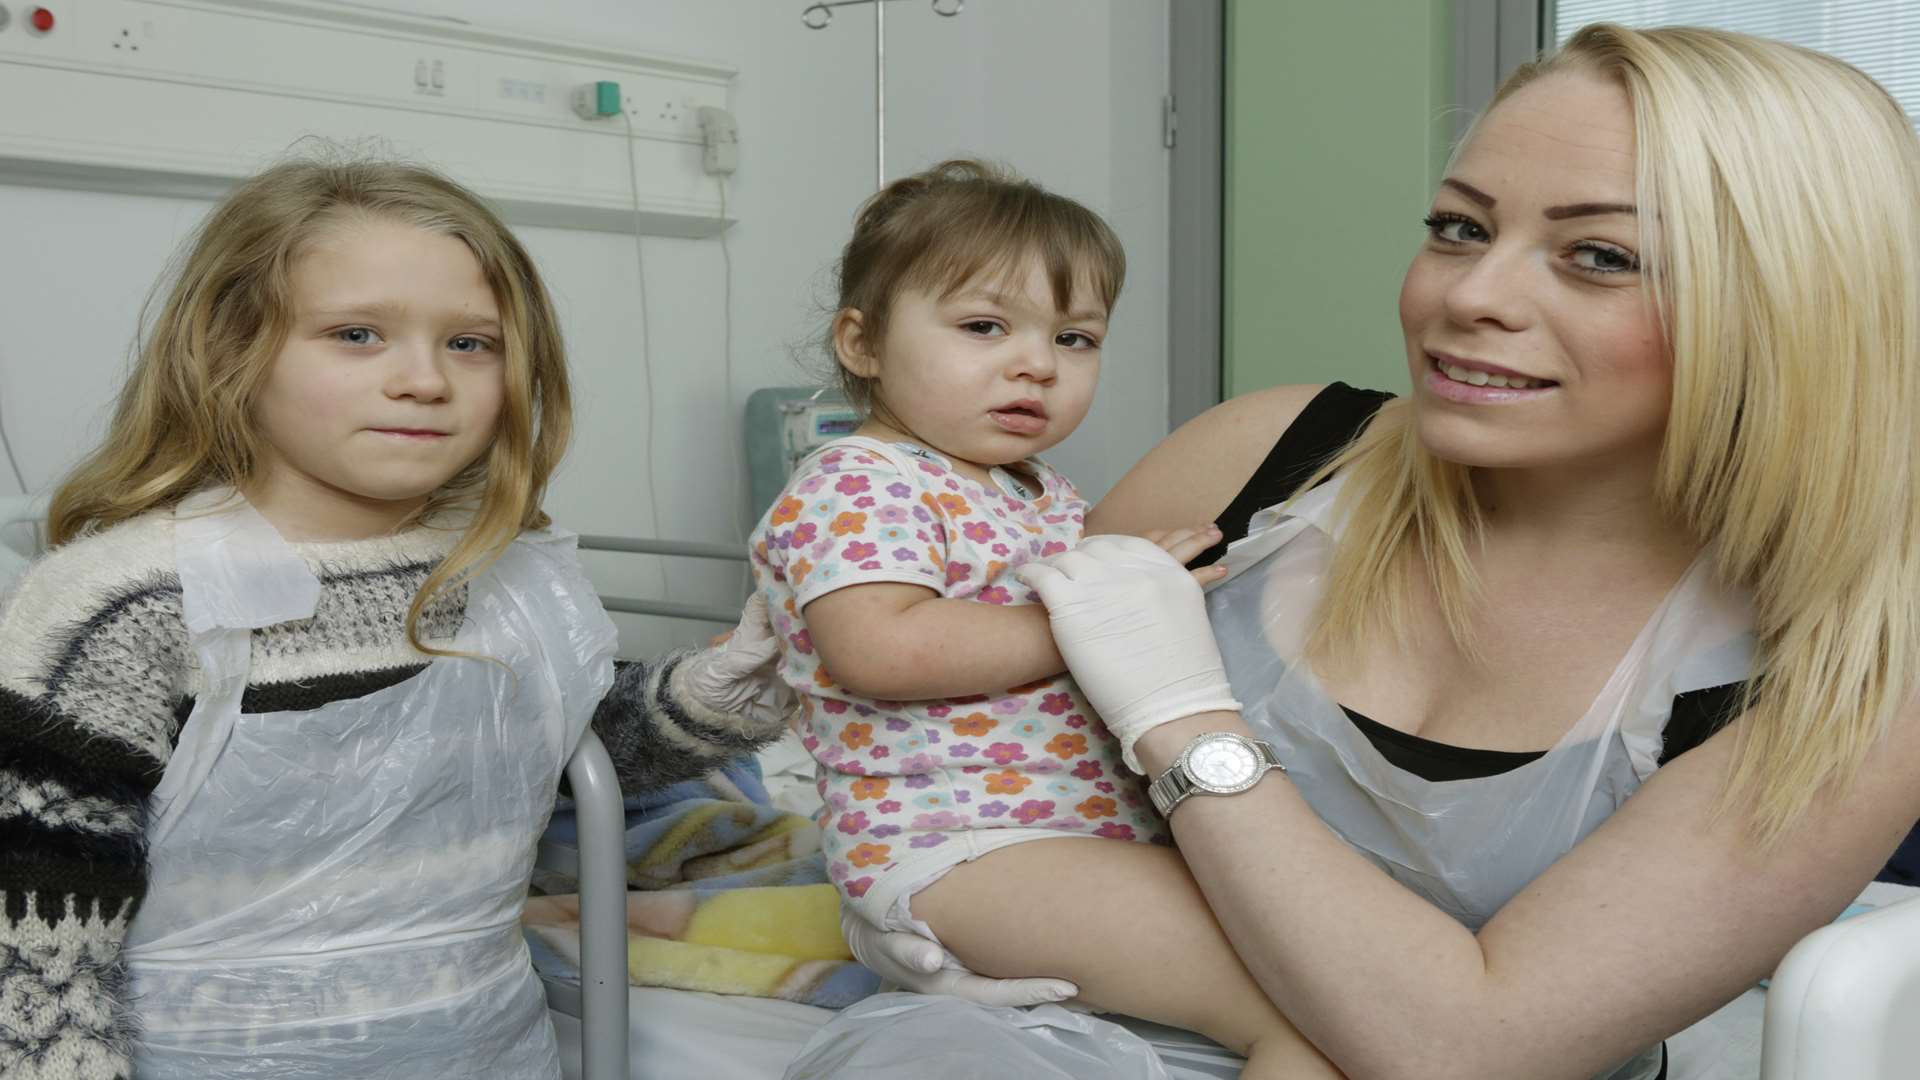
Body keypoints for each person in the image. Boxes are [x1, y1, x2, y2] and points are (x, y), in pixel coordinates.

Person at [849, 24, 1920, 1079]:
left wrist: (1182, 720)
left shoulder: (1840, 669)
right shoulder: (1260, 459)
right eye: (1458, 229)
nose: (1469, 297)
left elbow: (1470, 1050)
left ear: (1790, 306)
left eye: (1599, 256)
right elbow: (961, 751)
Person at [0, 158, 788, 1080]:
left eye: (471, 344)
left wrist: (713, 693)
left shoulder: (510, 573)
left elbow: (547, 771)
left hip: (491, 1050)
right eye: (358, 334)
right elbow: (31, 939)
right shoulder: (124, 608)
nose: (424, 380)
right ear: (230, 350)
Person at [751, 159, 1353, 1074]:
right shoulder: (858, 481)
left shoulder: (1039, 494)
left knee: (1324, 951)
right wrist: (1105, 617)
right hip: (962, 850)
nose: (1036, 363)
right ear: (862, 343)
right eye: (984, 326)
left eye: (1074, 339)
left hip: (1062, 840)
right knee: (1312, 1013)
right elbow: (882, 647)